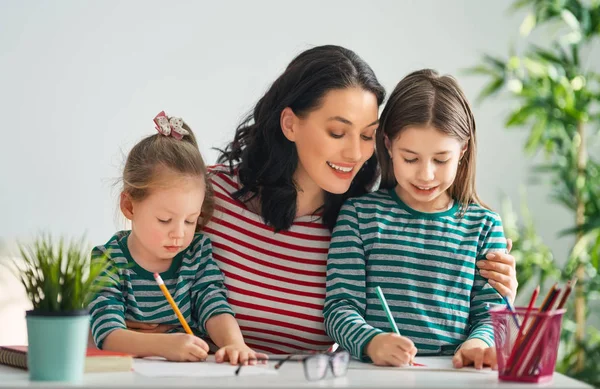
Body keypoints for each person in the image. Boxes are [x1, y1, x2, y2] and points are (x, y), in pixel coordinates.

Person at [127, 46, 519, 355]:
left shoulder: (355, 220)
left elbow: (422, 291)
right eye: (337, 132)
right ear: (290, 124)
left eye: (367, 135)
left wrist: (496, 290)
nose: (355, 153)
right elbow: (136, 266)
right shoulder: (208, 195)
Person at [323, 69, 506, 370]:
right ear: (388, 144)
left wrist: (477, 344)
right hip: (373, 374)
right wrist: (372, 342)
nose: (425, 175)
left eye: (440, 159)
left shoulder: (484, 226)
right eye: (410, 158)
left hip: (454, 375)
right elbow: (340, 308)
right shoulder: (359, 216)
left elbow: (490, 314)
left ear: (462, 150)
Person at [88, 112, 266, 364]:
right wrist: (164, 345)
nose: (179, 233)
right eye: (164, 220)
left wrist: (234, 343)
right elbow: (107, 335)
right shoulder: (109, 260)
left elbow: (213, 304)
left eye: (190, 220)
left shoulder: (196, 253)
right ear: (129, 206)